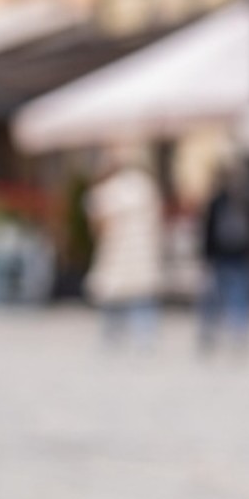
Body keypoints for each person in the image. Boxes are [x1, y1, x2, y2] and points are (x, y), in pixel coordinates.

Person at [85, 149, 165, 350]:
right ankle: (145, 341)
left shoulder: (106, 193)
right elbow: (157, 220)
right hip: (143, 254)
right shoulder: (145, 186)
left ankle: (112, 342)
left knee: (114, 300)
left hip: (116, 254)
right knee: (142, 300)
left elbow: (99, 227)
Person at [197, 161, 249, 354]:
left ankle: (211, 335)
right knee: (239, 298)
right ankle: (238, 334)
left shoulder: (217, 201)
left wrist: (205, 255)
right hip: (241, 255)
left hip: (221, 256)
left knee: (215, 297)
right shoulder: (246, 200)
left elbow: (208, 231)